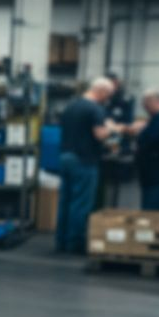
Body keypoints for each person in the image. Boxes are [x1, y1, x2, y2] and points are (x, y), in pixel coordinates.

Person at [56, 78, 119, 253]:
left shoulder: (71, 106)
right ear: (102, 91)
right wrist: (113, 129)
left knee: (65, 202)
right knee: (81, 203)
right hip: (84, 160)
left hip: (65, 157)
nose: (108, 99)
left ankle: (61, 241)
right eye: (109, 95)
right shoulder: (95, 109)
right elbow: (100, 135)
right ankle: (74, 244)